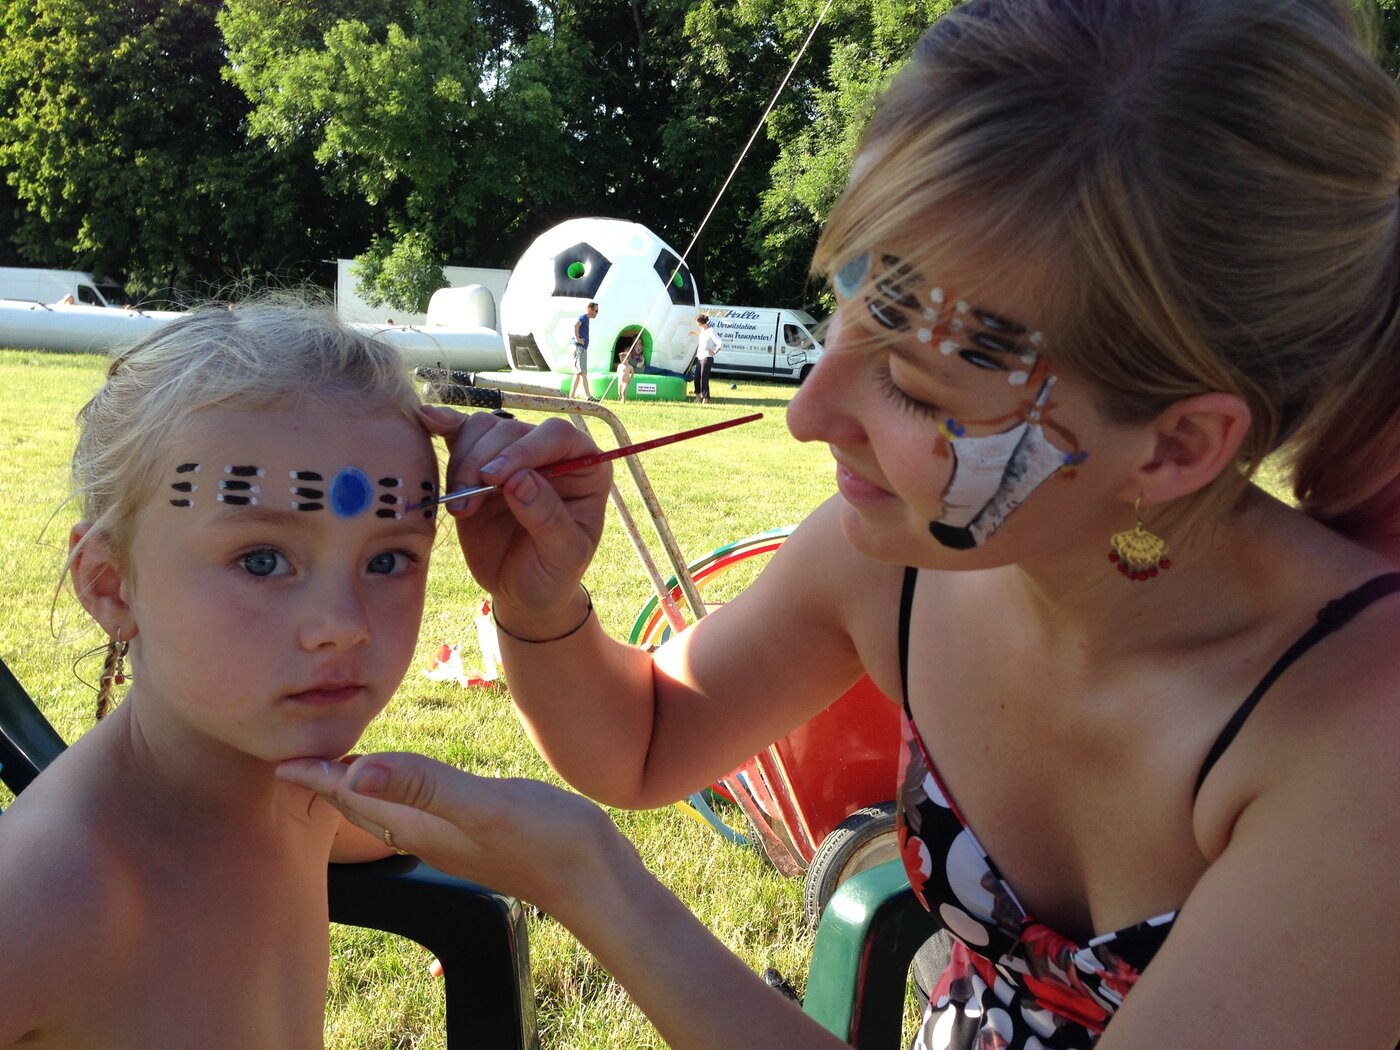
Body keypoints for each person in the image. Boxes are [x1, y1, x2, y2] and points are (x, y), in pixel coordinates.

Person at [281, 1, 1400, 1047]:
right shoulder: (908, 573)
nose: (812, 413)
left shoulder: (1358, 739)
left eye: (916, 387)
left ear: (1174, 448)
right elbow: (646, 739)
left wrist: (594, 883)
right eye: (844, 308)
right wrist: (540, 609)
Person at [0, 301, 440, 1046]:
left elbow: (392, 827)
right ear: (112, 585)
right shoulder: (57, 888)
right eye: (262, 560)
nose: (344, 623)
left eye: (388, 560)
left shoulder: (306, 794)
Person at [569, 301, 600, 401]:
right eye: (596, 310)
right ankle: (588, 396)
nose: (596, 313)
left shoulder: (586, 319)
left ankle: (572, 396)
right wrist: (578, 338)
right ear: (590, 309)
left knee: (578, 373)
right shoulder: (584, 317)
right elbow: (575, 325)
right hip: (579, 348)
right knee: (583, 373)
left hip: (580, 348)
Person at [689, 314, 722, 403]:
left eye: (697, 323)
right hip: (699, 357)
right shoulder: (703, 331)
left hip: (707, 358)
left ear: (701, 322)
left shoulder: (711, 331)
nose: (696, 325)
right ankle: (697, 397)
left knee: (704, 378)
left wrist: (715, 351)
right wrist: (695, 333)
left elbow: (719, 342)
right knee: (696, 377)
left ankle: (705, 398)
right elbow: (703, 336)